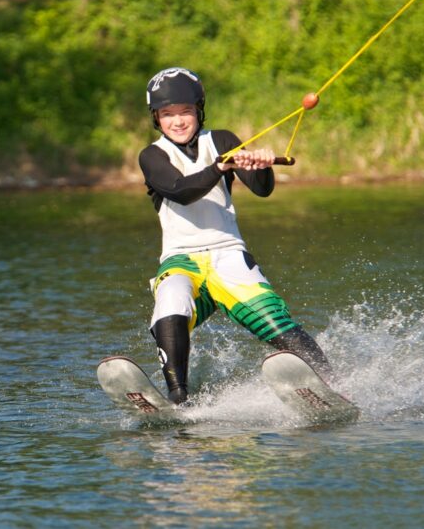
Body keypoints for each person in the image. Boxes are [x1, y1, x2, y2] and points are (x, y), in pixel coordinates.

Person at [139, 67, 331, 405]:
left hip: (229, 254)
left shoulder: (223, 140)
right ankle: (178, 399)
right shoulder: (152, 156)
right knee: (170, 297)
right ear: (157, 119)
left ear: (199, 110)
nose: (178, 121)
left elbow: (262, 189)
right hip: (181, 260)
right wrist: (220, 168)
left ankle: (333, 384)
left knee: (273, 320)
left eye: (185, 111)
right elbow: (181, 191)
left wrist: (261, 164)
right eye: (167, 114)